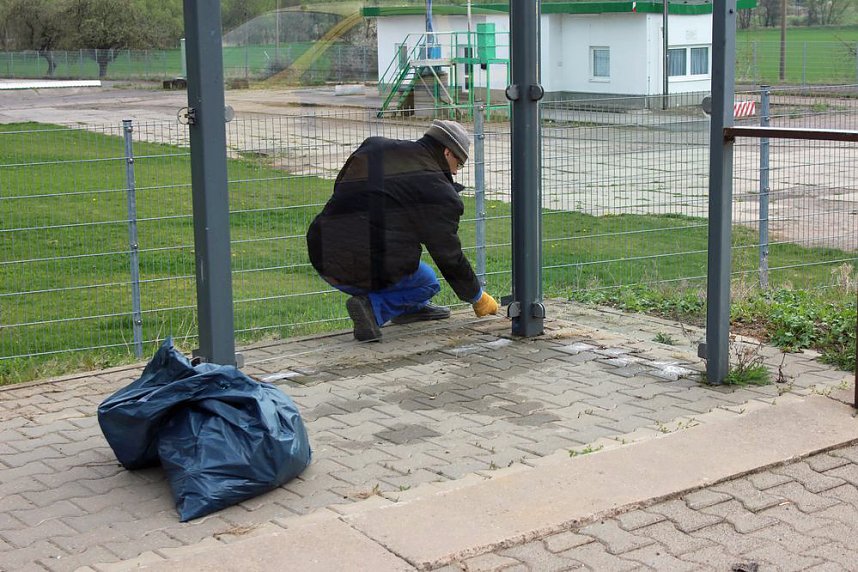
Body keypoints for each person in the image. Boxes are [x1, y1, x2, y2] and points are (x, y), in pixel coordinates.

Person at [306, 119, 499, 342]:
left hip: (322, 252)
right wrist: (476, 296)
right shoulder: (439, 192)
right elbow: (448, 255)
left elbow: (341, 188)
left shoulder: (374, 147)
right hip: (361, 267)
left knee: (399, 256)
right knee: (427, 281)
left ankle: (409, 310)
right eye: (459, 163)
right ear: (447, 152)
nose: (456, 173)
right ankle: (372, 308)